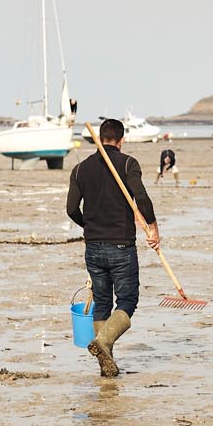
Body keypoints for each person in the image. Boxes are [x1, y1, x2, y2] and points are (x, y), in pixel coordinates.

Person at [66, 118, 160, 378]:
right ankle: (104, 343)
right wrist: (153, 226)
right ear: (121, 140)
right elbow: (141, 198)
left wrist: (89, 225)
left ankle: (105, 358)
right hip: (121, 246)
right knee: (128, 301)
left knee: (104, 303)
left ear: (99, 138)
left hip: (93, 246)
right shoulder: (128, 163)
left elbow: (71, 209)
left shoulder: (80, 169)